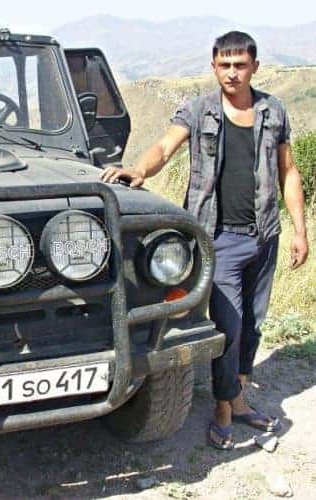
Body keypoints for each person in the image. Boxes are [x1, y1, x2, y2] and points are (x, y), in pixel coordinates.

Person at [100, 31, 309, 449]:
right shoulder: (199, 111)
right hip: (219, 239)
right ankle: (224, 407)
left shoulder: (274, 110)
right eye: (224, 65)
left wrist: (300, 231)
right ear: (214, 66)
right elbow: (164, 146)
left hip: (265, 235)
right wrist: (140, 170)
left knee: (253, 325)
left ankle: (239, 396)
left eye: (240, 64)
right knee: (228, 328)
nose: (232, 73)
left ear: (254, 67)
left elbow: (288, 172)